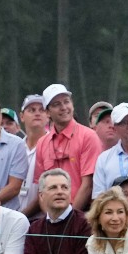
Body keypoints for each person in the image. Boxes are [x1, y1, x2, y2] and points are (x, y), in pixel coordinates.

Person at [31, 84, 103, 213]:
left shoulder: (88, 136)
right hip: (52, 216)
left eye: (66, 102)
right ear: (47, 112)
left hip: (82, 215)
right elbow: (41, 188)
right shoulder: (42, 143)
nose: (63, 107)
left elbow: (88, 185)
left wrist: (68, 219)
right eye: (56, 104)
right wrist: (50, 217)